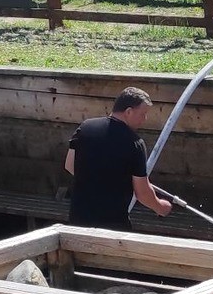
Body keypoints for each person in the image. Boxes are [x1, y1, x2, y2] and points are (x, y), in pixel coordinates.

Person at [65, 86, 173, 229]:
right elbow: (142, 193)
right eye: (143, 113)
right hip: (112, 227)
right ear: (128, 112)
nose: (144, 119)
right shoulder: (134, 143)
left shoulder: (85, 127)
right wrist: (161, 207)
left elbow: (70, 165)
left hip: (78, 222)